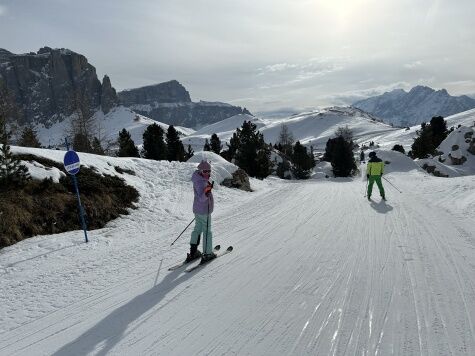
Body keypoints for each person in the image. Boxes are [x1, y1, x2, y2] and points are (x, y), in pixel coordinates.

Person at [187, 160, 216, 263]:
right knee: (207, 231)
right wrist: (207, 191)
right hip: (204, 211)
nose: (207, 173)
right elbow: (201, 198)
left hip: (198, 210)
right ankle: (207, 253)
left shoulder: (198, 179)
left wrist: (207, 190)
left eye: (209, 171)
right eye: (205, 171)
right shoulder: (201, 182)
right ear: (200, 171)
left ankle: (193, 252)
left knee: (197, 229)